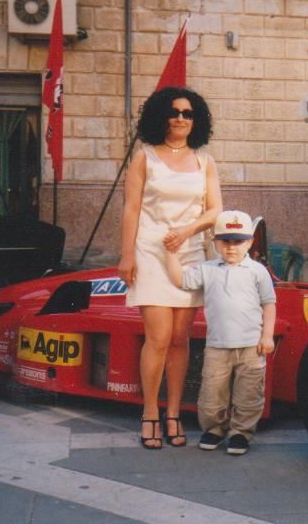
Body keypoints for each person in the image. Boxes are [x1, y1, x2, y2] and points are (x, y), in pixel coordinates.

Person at [118, 87, 223, 449]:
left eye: (187, 113)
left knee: (180, 339)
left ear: (197, 120)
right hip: (150, 250)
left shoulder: (205, 161)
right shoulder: (144, 158)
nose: (180, 118)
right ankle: (150, 413)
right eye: (174, 112)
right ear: (161, 116)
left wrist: (188, 231)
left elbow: (215, 210)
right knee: (159, 338)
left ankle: (174, 413)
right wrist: (127, 255)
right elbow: (131, 209)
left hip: (189, 253)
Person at [165, 210, 277, 455]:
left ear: (250, 242)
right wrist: (171, 253)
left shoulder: (257, 271)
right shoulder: (207, 268)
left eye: (238, 241)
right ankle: (214, 429)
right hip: (217, 345)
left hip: (251, 346)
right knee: (212, 393)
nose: (231, 247)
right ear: (215, 242)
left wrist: (267, 336)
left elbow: (268, 304)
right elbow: (181, 280)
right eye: (225, 241)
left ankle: (241, 433)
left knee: (249, 394)